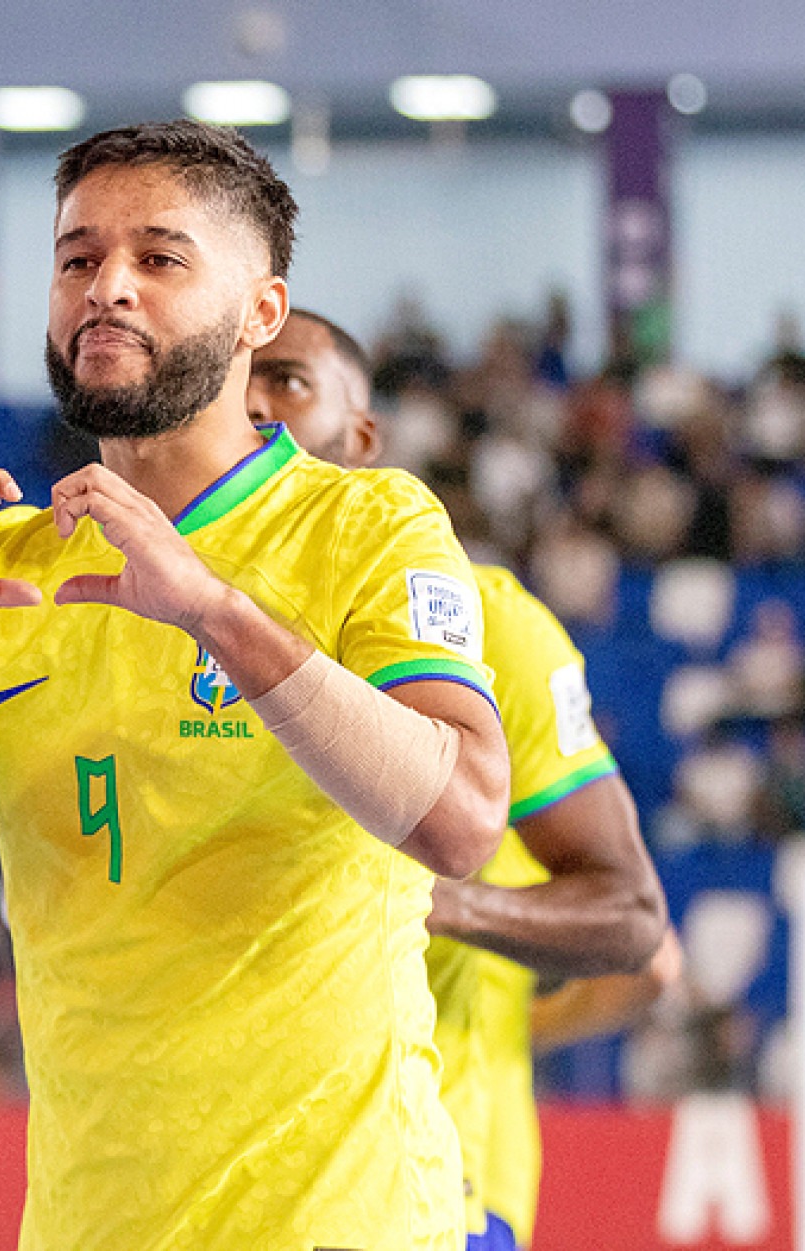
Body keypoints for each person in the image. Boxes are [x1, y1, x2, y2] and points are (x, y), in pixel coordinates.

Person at [0, 121, 511, 1249]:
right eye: (77, 259)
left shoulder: (370, 524)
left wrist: (213, 610)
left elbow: (460, 820)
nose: (107, 288)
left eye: (159, 259)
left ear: (260, 311)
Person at [251, 309, 679, 1250]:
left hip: (435, 1192)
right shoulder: (174, 621)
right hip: (218, 1191)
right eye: (238, 378)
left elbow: (642, 939)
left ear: (362, 438)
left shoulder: (485, 628)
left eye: (287, 381)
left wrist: (450, 910)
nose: (251, 402)